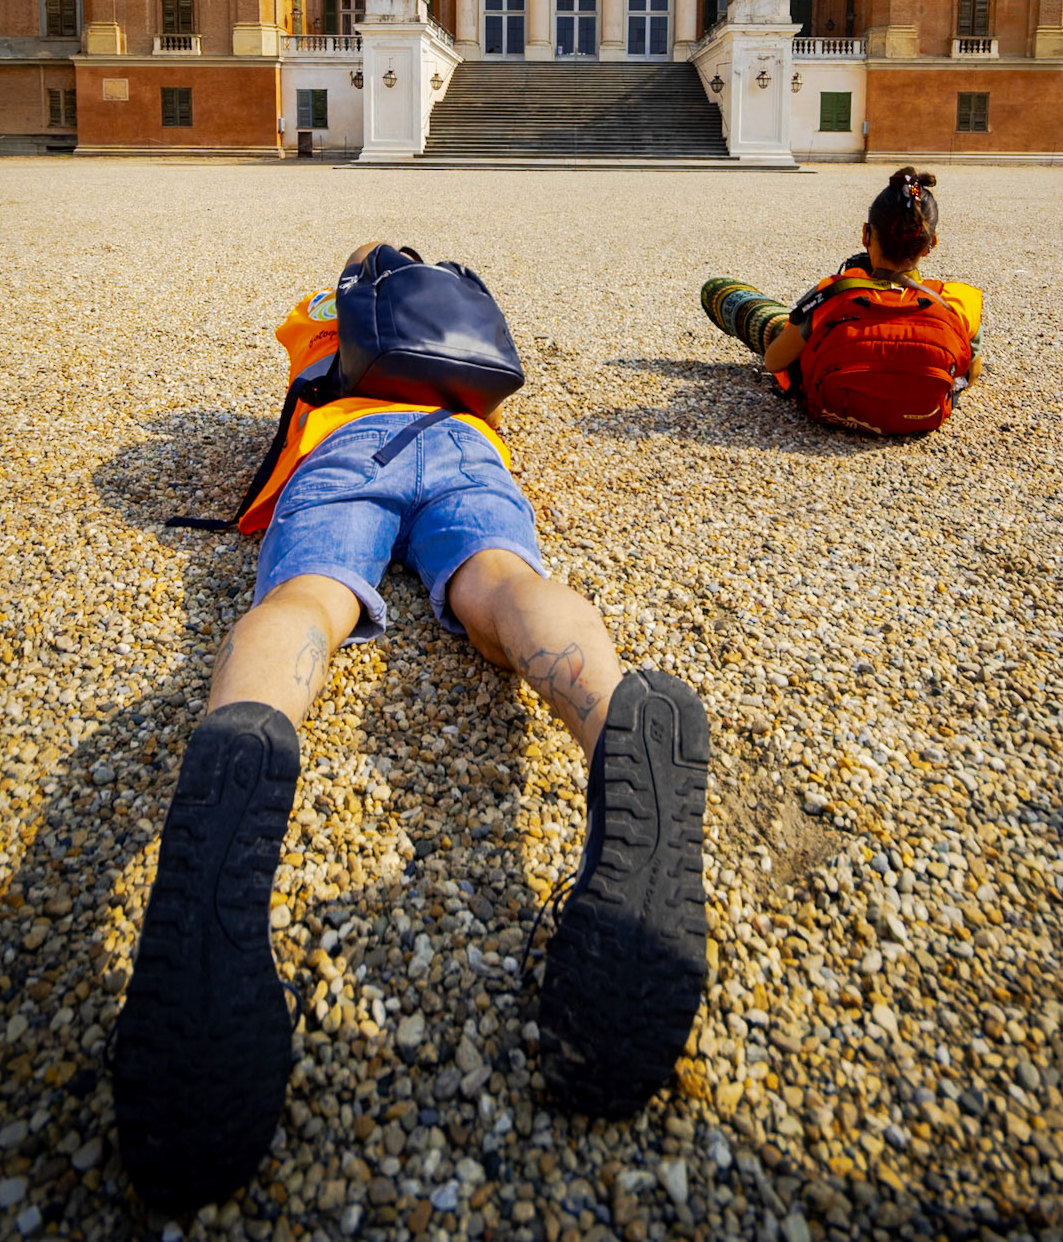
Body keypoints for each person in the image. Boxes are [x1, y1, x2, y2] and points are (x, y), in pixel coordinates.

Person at [113, 241, 709, 1214]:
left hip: (351, 442)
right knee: (504, 586)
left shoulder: (327, 313)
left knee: (309, 599)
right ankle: (613, 718)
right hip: (466, 444)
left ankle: (238, 748)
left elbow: (297, 382)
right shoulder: (463, 329)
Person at [701, 167, 983, 435]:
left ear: (865, 234)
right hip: (922, 416)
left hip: (833, 402)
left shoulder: (836, 294)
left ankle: (774, 320)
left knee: (720, 291)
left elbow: (774, 361)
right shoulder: (957, 301)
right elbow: (969, 375)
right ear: (930, 244)